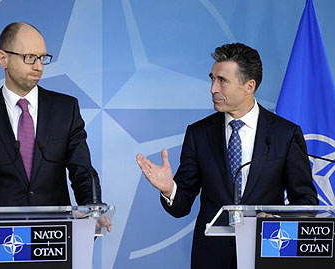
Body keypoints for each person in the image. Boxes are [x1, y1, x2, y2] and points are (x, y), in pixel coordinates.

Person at [136, 43, 318, 268]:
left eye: (222, 81)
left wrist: (277, 223)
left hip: (269, 251)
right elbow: (181, 206)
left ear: (249, 86)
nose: (213, 88)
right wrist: (168, 189)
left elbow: (306, 203)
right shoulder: (199, 134)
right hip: (212, 258)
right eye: (212, 78)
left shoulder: (285, 134)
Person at [0, 22, 102, 208]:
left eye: (42, 58)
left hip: (54, 231)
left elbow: (83, 173)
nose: (38, 66)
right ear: (3, 59)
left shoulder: (66, 109)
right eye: (30, 57)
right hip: (1, 233)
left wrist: (93, 208)